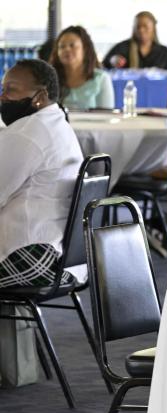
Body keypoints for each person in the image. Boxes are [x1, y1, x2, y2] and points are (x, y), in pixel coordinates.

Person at [0, 59, 82, 287]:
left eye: (11, 90)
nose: (3, 97)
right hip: (62, 256)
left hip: (30, 256)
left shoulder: (26, 134)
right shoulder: (57, 125)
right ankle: (21, 324)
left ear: (40, 96)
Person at [49, 26, 113, 110]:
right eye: (62, 46)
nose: (67, 49)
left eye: (72, 45)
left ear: (85, 49)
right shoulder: (50, 79)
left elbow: (105, 116)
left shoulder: (101, 79)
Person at [102, 11, 167, 70]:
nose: (141, 30)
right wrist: (113, 60)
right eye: (138, 27)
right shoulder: (122, 47)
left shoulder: (164, 52)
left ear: (153, 28)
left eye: (145, 26)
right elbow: (104, 64)